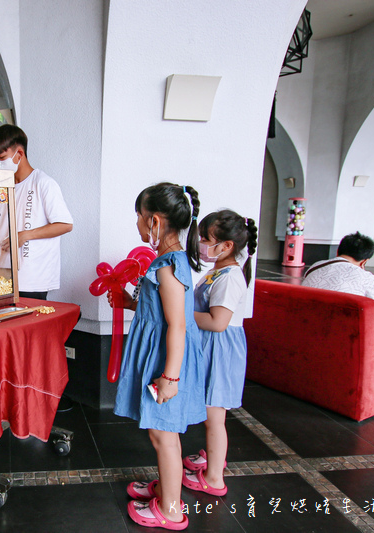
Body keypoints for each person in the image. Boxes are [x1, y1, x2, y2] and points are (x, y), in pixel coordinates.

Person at [110, 182, 205, 531]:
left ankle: (170, 509)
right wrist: (128, 302)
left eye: (139, 215)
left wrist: (170, 377)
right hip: (159, 355)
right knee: (159, 430)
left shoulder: (168, 265)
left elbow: (177, 325)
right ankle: (168, 488)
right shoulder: (168, 261)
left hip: (166, 361)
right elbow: (160, 312)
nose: (136, 221)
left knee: (164, 434)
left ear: (154, 221)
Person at [181, 210, 258, 498]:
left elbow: (218, 322)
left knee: (215, 417)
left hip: (221, 351)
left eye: (205, 238)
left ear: (227, 246)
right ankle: (212, 457)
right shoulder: (218, 272)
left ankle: (214, 478)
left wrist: (183, 314)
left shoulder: (230, 278)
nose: (200, 243)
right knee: (209, 412)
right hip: (211, 348)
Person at [0, 125, 73, 300]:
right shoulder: (2, 189)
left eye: (2, 158)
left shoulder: (43, 183)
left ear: (19, 154)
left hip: (33, 279)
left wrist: (25, 235)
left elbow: (66, 225)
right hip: (3, 277)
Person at [302, 232, 374, 343]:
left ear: (338, 251)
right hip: (342, 335)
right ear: (364, 261)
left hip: (308, 327)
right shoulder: (364, 276)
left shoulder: (316, 266)